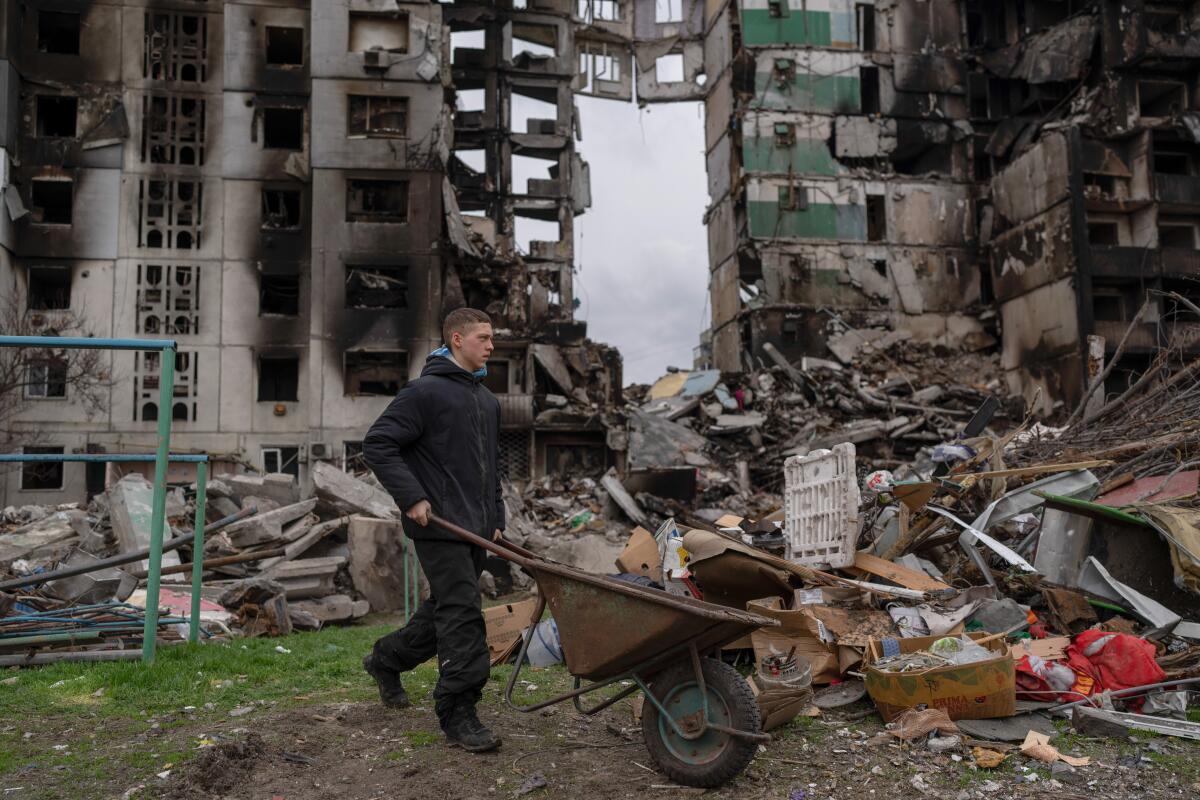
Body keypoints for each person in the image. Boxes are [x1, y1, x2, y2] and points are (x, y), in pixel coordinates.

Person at [360, 307, 504, 753]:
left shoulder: (486, 400)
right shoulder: (424, 393)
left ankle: (385, 660)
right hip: (438, 526)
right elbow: (378, 443)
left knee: (442, 610)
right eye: (483, 337)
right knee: (463, 613)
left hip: (477, 529)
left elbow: (490, 469)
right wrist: (413, 497)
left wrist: (496, 517)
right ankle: (458, 710)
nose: (491, 345)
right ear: (457, 340)